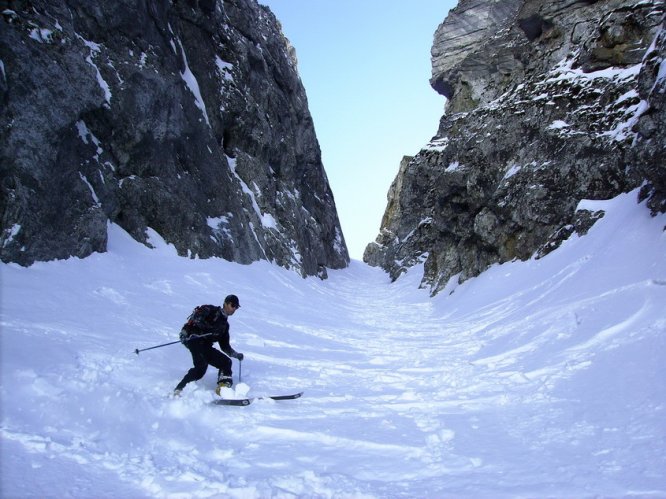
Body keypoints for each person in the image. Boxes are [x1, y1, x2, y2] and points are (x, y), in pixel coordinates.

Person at [174, 294, 244, 396]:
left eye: (236, 307)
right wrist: (208, 329)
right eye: (233, 305)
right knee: (201, 366)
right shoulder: (211, 310)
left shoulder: (224, 326)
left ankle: (223, 389)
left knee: (226, 362)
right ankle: (179, 389)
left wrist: (235, 354)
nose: (234, 309)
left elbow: (225, 346)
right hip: (194, 339)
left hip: (205, 345)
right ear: (225, 303)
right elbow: (196, 319)